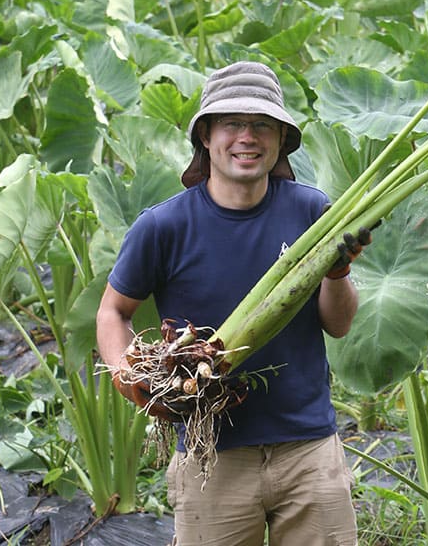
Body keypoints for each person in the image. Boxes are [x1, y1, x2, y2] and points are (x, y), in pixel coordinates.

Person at [96, 61, 371, 546]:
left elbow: (340, 324)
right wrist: (130, 376)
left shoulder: (312, 212)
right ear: (205, 135)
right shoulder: (164, 227)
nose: (248, 137)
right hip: (212, 457)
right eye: (233, 124)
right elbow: (113, 311)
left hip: (307, 448)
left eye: (262, 125)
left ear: (281, 140)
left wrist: (338, 271)